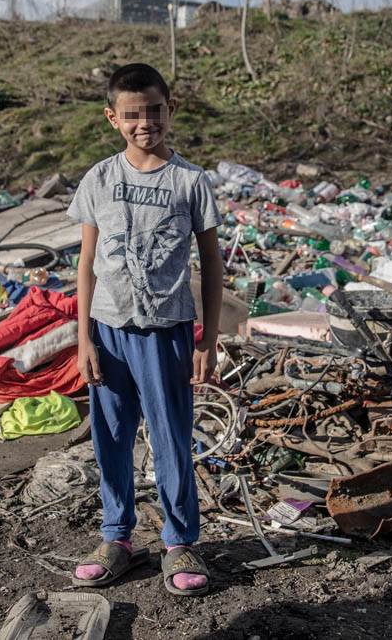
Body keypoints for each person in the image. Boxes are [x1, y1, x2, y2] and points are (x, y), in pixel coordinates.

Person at [65, 62, 224, 597]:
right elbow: (86, 262)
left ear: (170, 110)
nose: (144, 123)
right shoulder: (99, 179)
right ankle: (117, 538)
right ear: (112, 118)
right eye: (131, 115)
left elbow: (211, 263)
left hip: (167, 331)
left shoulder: (190, 182)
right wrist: (84, 338)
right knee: (110, 437)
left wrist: (208, 339)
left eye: (154, 111)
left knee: (171, 437)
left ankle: (179, 541)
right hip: (108, 331)